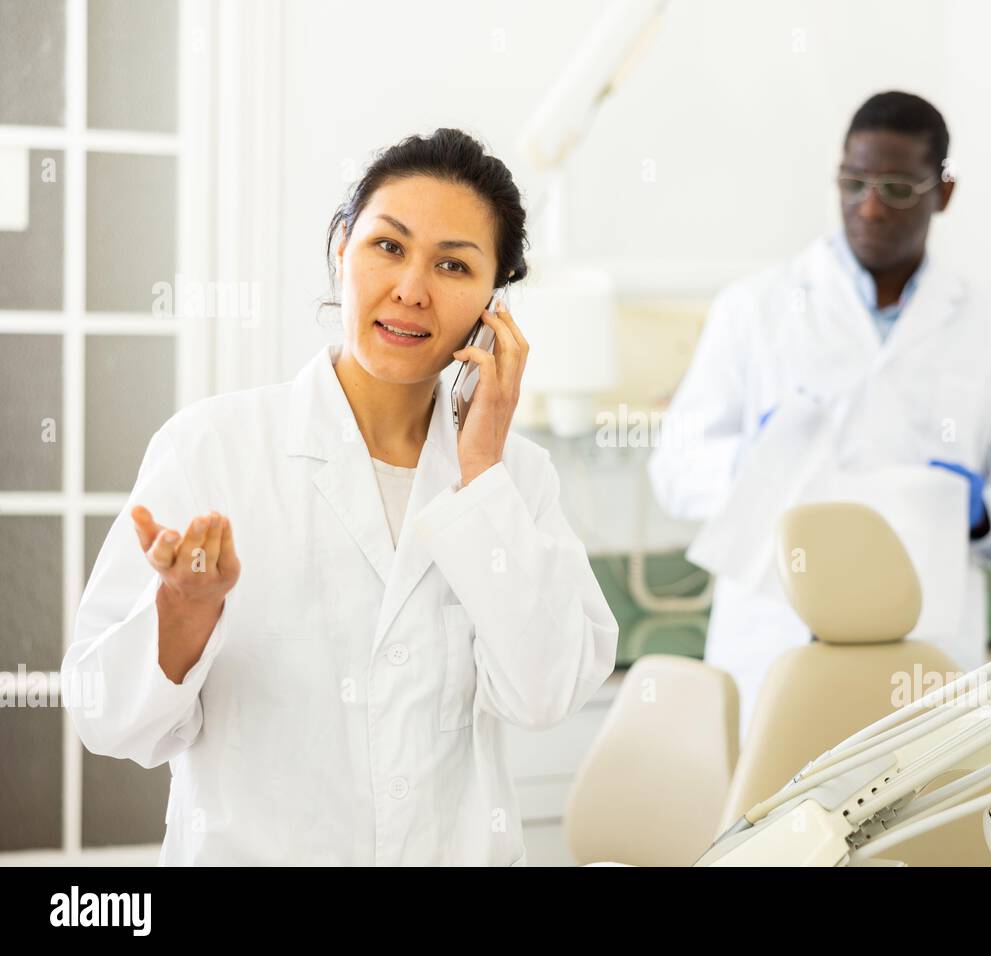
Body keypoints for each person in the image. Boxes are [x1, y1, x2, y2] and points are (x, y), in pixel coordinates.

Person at [62, 129, 619, 865]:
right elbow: (104, 718)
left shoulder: (515, 476)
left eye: (453, 264)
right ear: (341, 252)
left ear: (493, 303)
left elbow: (544, 696)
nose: (412, 288)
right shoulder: (214, 447)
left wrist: (481, 472)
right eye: (388, 247)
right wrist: (184, 611)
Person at [648, 92, 991, 738]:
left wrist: (983, 514)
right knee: (769, 823)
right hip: (777, 634)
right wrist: (753, 466)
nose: (869, 207)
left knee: (918, 828)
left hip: (924, 649)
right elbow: (673, 470)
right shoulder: (754, 309)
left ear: (942, 192)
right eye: (854, 183)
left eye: (896, 188)